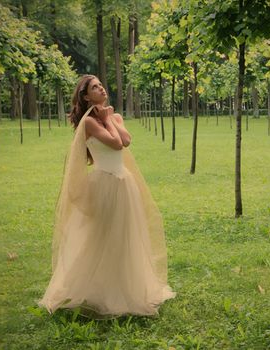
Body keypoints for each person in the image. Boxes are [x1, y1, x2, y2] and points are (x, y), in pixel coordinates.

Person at [38, 75, 175, 318]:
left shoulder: (114, 116)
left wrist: (110, 118)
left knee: (125, 235)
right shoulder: (89, 122)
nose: (101, 89)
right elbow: (114, 144)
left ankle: (126, 286)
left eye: (101, 85)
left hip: (124, 183)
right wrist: (105, 119)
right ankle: (96, 288)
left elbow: (126, 140)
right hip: (104, 184)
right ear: (85, 96)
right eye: (94, 87)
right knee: (102, 236)